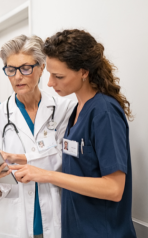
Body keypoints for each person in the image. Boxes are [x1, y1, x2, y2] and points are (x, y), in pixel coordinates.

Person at [10, 29, 137, 238]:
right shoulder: (77, 109)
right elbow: (78, 163)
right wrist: (24, 159)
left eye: (58, 76)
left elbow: (114, 188)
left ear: (84, 72)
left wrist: (46, 176)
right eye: (50, 74)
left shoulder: (104, 112)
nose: (50, 83)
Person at [0, 35, 75, 238]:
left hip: (54, 218)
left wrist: (26, 160)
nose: (17, 76)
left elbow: (67, 161)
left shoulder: (64, 109)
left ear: (42, 68)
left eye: (25, 68)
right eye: (11, 69)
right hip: (10, 223)